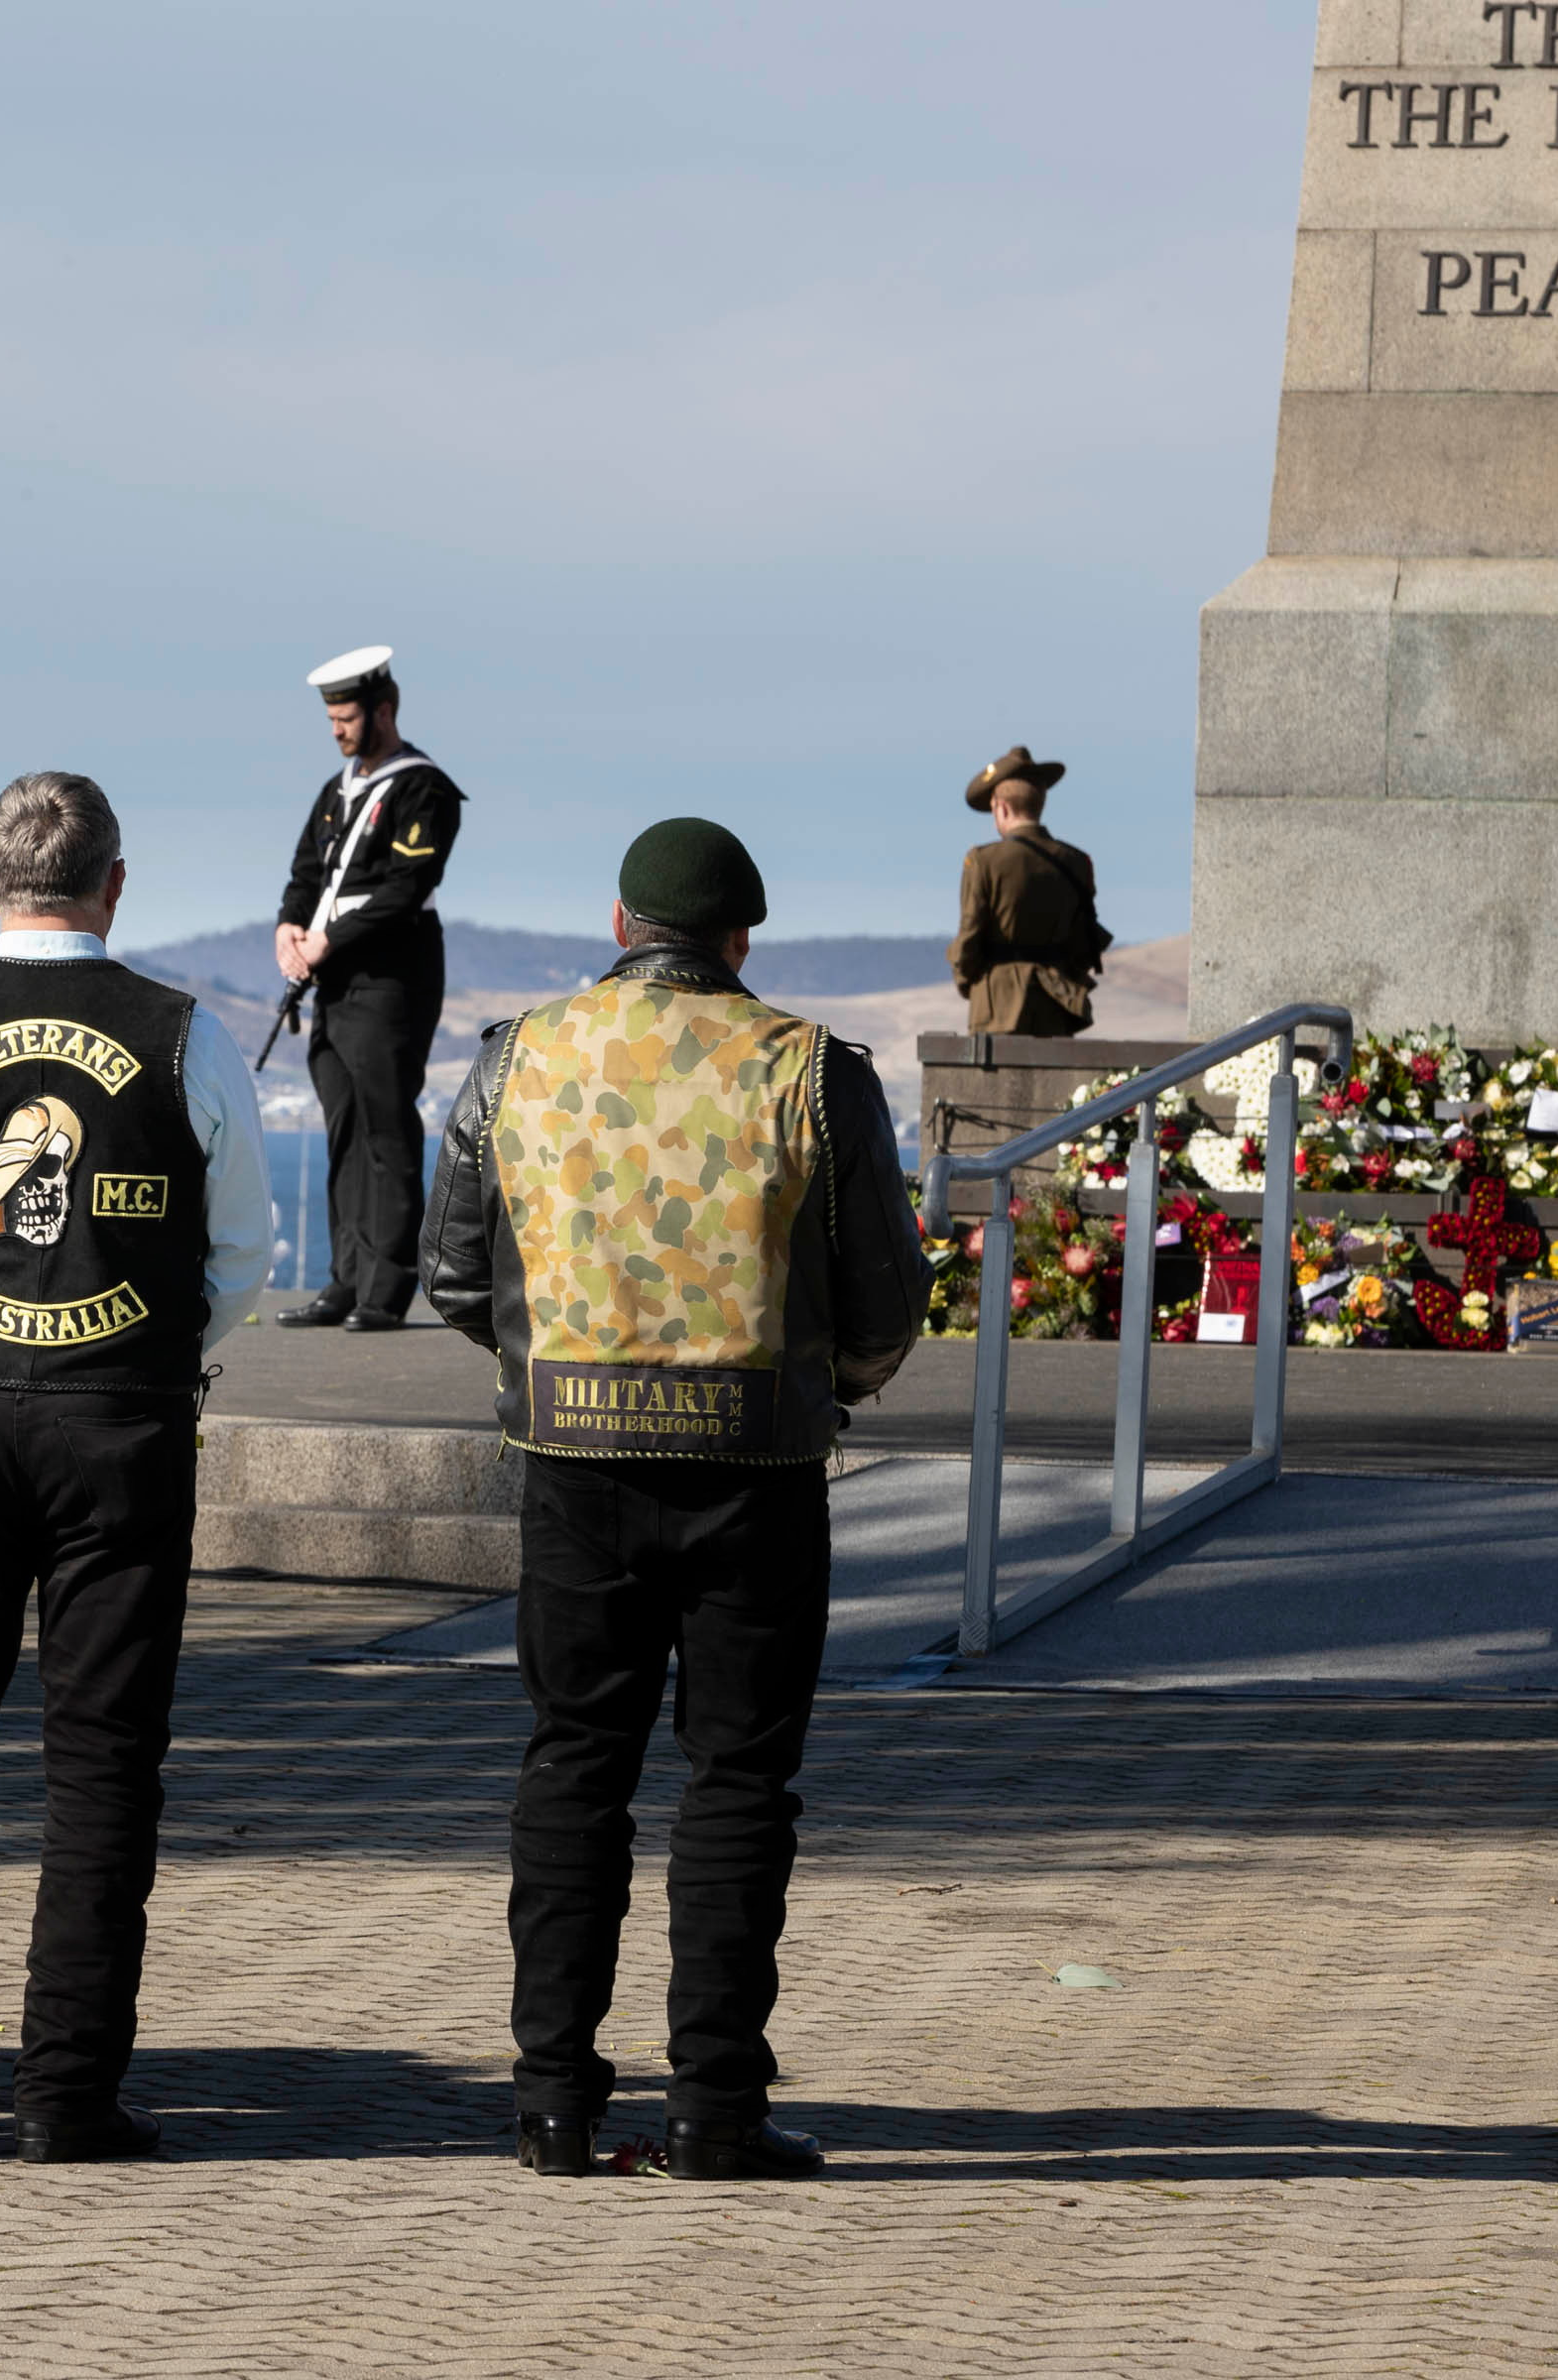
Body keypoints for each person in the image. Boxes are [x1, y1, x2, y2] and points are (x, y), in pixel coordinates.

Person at [421, 818, 927, 2181]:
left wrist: (549, 1368)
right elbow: (884, 1300)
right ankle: (716, 2109)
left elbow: (458, 1277)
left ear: (619, 923)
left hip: (573, 1468)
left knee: (573, 1772)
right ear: (739, 939)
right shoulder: (813, 1072)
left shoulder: (518, 1059)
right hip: (757, 1472)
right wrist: (834, 1387)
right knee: (740, 1784)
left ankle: (550, 2104)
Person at [0, 771, 275, 2163]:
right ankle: (68, 2095)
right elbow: (242, 1252)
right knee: (102, 1770)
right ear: (117, 884)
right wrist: (150, 1340)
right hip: (120, 1421)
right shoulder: (185, 1037)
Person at [271, 646, 462, 1332]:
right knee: (345, 1129)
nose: (337, 731)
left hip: (390, 979)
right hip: (333, 983)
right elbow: (304, 871)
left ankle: (386, 1291)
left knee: (387, 1128)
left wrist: (329, 939)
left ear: (383, 710)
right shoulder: (338, 790)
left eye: (347, 717)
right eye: (331, 719)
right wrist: (290, 928)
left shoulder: (424, 790)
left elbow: (405, 889)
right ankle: (344, 1284)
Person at [950, 745, 1110, 1036]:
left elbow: (970, 936)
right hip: (1058, 1005)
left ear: (1002, 807)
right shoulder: (1076, 861)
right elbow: (1084, 942)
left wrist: (967, 980)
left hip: (996, 1007)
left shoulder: (984, 861)